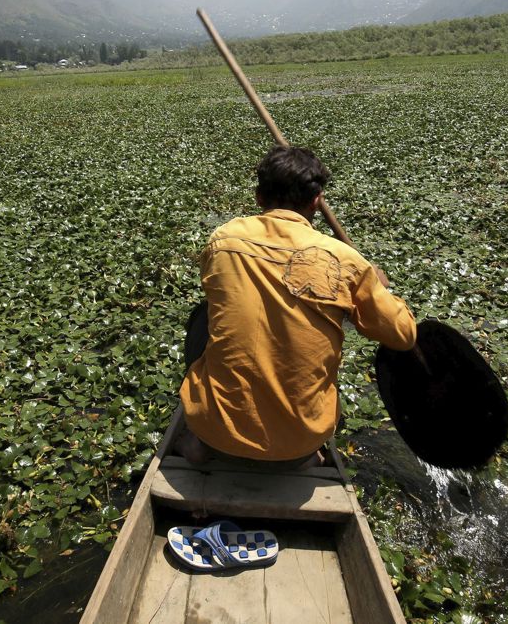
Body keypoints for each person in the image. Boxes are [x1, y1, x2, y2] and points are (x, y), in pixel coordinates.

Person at [177, 145, 417, 467]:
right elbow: (404, 335)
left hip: (215, 436)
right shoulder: (346, 261)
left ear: (259, 197)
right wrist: (378, 288)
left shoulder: (224, 241)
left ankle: (199, 443)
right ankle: (309, 459)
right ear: (316, 202)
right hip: (299, 445)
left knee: (205, 315)